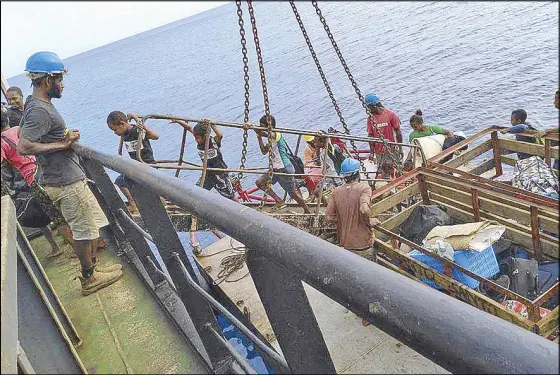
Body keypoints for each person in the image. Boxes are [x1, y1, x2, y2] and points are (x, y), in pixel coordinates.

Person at [17, 51, 122, 296]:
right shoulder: (39, 110)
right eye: (59, 79)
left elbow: (30, 135)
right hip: (65, 183)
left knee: (88, 228)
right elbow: (24, 145)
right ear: (46, 81)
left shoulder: (34, 105)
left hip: (63, 179)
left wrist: (63, 139)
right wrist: (63, 145)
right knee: (84, 232)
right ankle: (89, 279)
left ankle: (93, 270)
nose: (62, 84)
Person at [1, 110, 76, 257]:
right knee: (67, 211)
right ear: (8, 120)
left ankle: (77, 252)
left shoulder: (2, 142)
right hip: (46, 170)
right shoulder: (19, 130)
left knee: (57, 218)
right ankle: (89, 252)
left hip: (32, 180)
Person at [325, 157, 380, 326]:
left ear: (344, 176)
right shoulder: (364, 188)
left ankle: (358, 310)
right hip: (363, 244)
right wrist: (369, 221)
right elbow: (364, 209)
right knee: (369, 282)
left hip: (346, 245)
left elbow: (328, 217)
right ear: (358, 174)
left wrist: (344, 221)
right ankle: (368, 317)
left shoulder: (336, 192)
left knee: (355, 280)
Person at [249, 115, 311, 213]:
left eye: (262, 126)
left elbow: (262, 132)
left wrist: (252, 127)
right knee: (260, 182)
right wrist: (259, 137)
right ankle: (278, 200)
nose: (261, 128)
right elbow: (264, 151)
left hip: (284, 168)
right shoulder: (271, 139)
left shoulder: (276, 134)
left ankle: (307, 210)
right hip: (275, 169)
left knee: (293, 193)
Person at [169, 119, 237, 200]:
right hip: (208, 173)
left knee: (229, 196)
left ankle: (240, 209)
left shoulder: (213, 141)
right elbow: (189, 128)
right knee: (197, 191)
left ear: (205, 136)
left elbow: (220, 135)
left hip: (220, 173)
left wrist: (211, 124)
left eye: (197, 138)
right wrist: (178, 121)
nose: (195, 139)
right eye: (195, 137)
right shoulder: (199, 141)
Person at [107, 111, 159, 213]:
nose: (115, 133)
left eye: (115, 129)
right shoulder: (124, 134)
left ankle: (133, 204)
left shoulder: (136, 130)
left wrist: (136, 119)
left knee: (124, 181)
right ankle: (134, 202)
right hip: (137, 165)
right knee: (120, 181)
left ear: (122, 124)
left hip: (147, 164)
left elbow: (155, 136)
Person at [364, 93, 403, 166]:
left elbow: (398, 131)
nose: (368, 110)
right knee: (383, 171)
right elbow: (370, 136)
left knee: (397, 168)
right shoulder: (370, 119)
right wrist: (372, 152)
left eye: (369, 107)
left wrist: (400, 148)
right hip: (379, 152)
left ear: (374, 105)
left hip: (392, 149)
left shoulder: (390, 114)